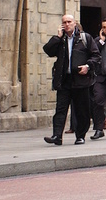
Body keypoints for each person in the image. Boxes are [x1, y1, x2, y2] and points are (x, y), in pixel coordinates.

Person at [42, 14, 101, 145]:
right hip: (64, 80)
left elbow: (96, 56)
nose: (66, 24)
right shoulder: (60, 40)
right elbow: (48, 50)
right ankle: (57, 136)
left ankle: (80, 136)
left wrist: (87, 66)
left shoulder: (84, 38)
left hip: (80, 80)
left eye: (69, 22)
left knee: (82, 110)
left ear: (75, 23)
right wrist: (57, 37)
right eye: (64, 22)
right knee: (60, 110)